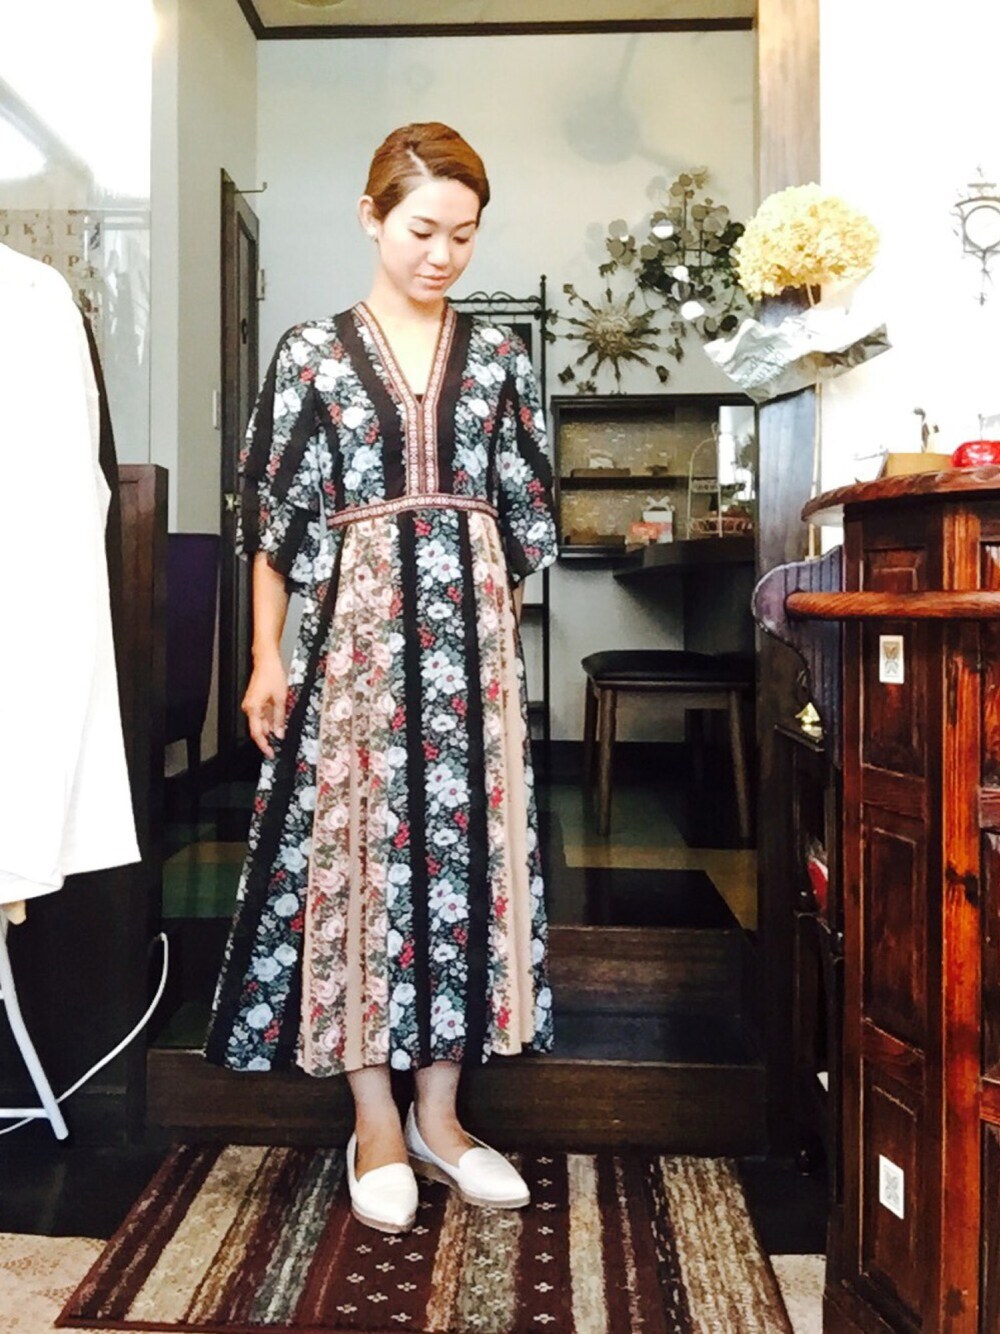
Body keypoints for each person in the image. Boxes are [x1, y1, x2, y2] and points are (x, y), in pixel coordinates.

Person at [204, 122, 558, 1233]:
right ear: (371, 217)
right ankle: (373, 1122)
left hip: (469, 657)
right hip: (350, 652)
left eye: (464, 234)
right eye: (421, 230)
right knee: (357, 859)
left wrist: (485, 636)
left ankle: (441, 1120)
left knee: (464, 864)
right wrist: (266, 657)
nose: (442, 254)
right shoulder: (310, 354)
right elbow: (273, 526)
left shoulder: (498, 361)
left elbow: (525, 523)